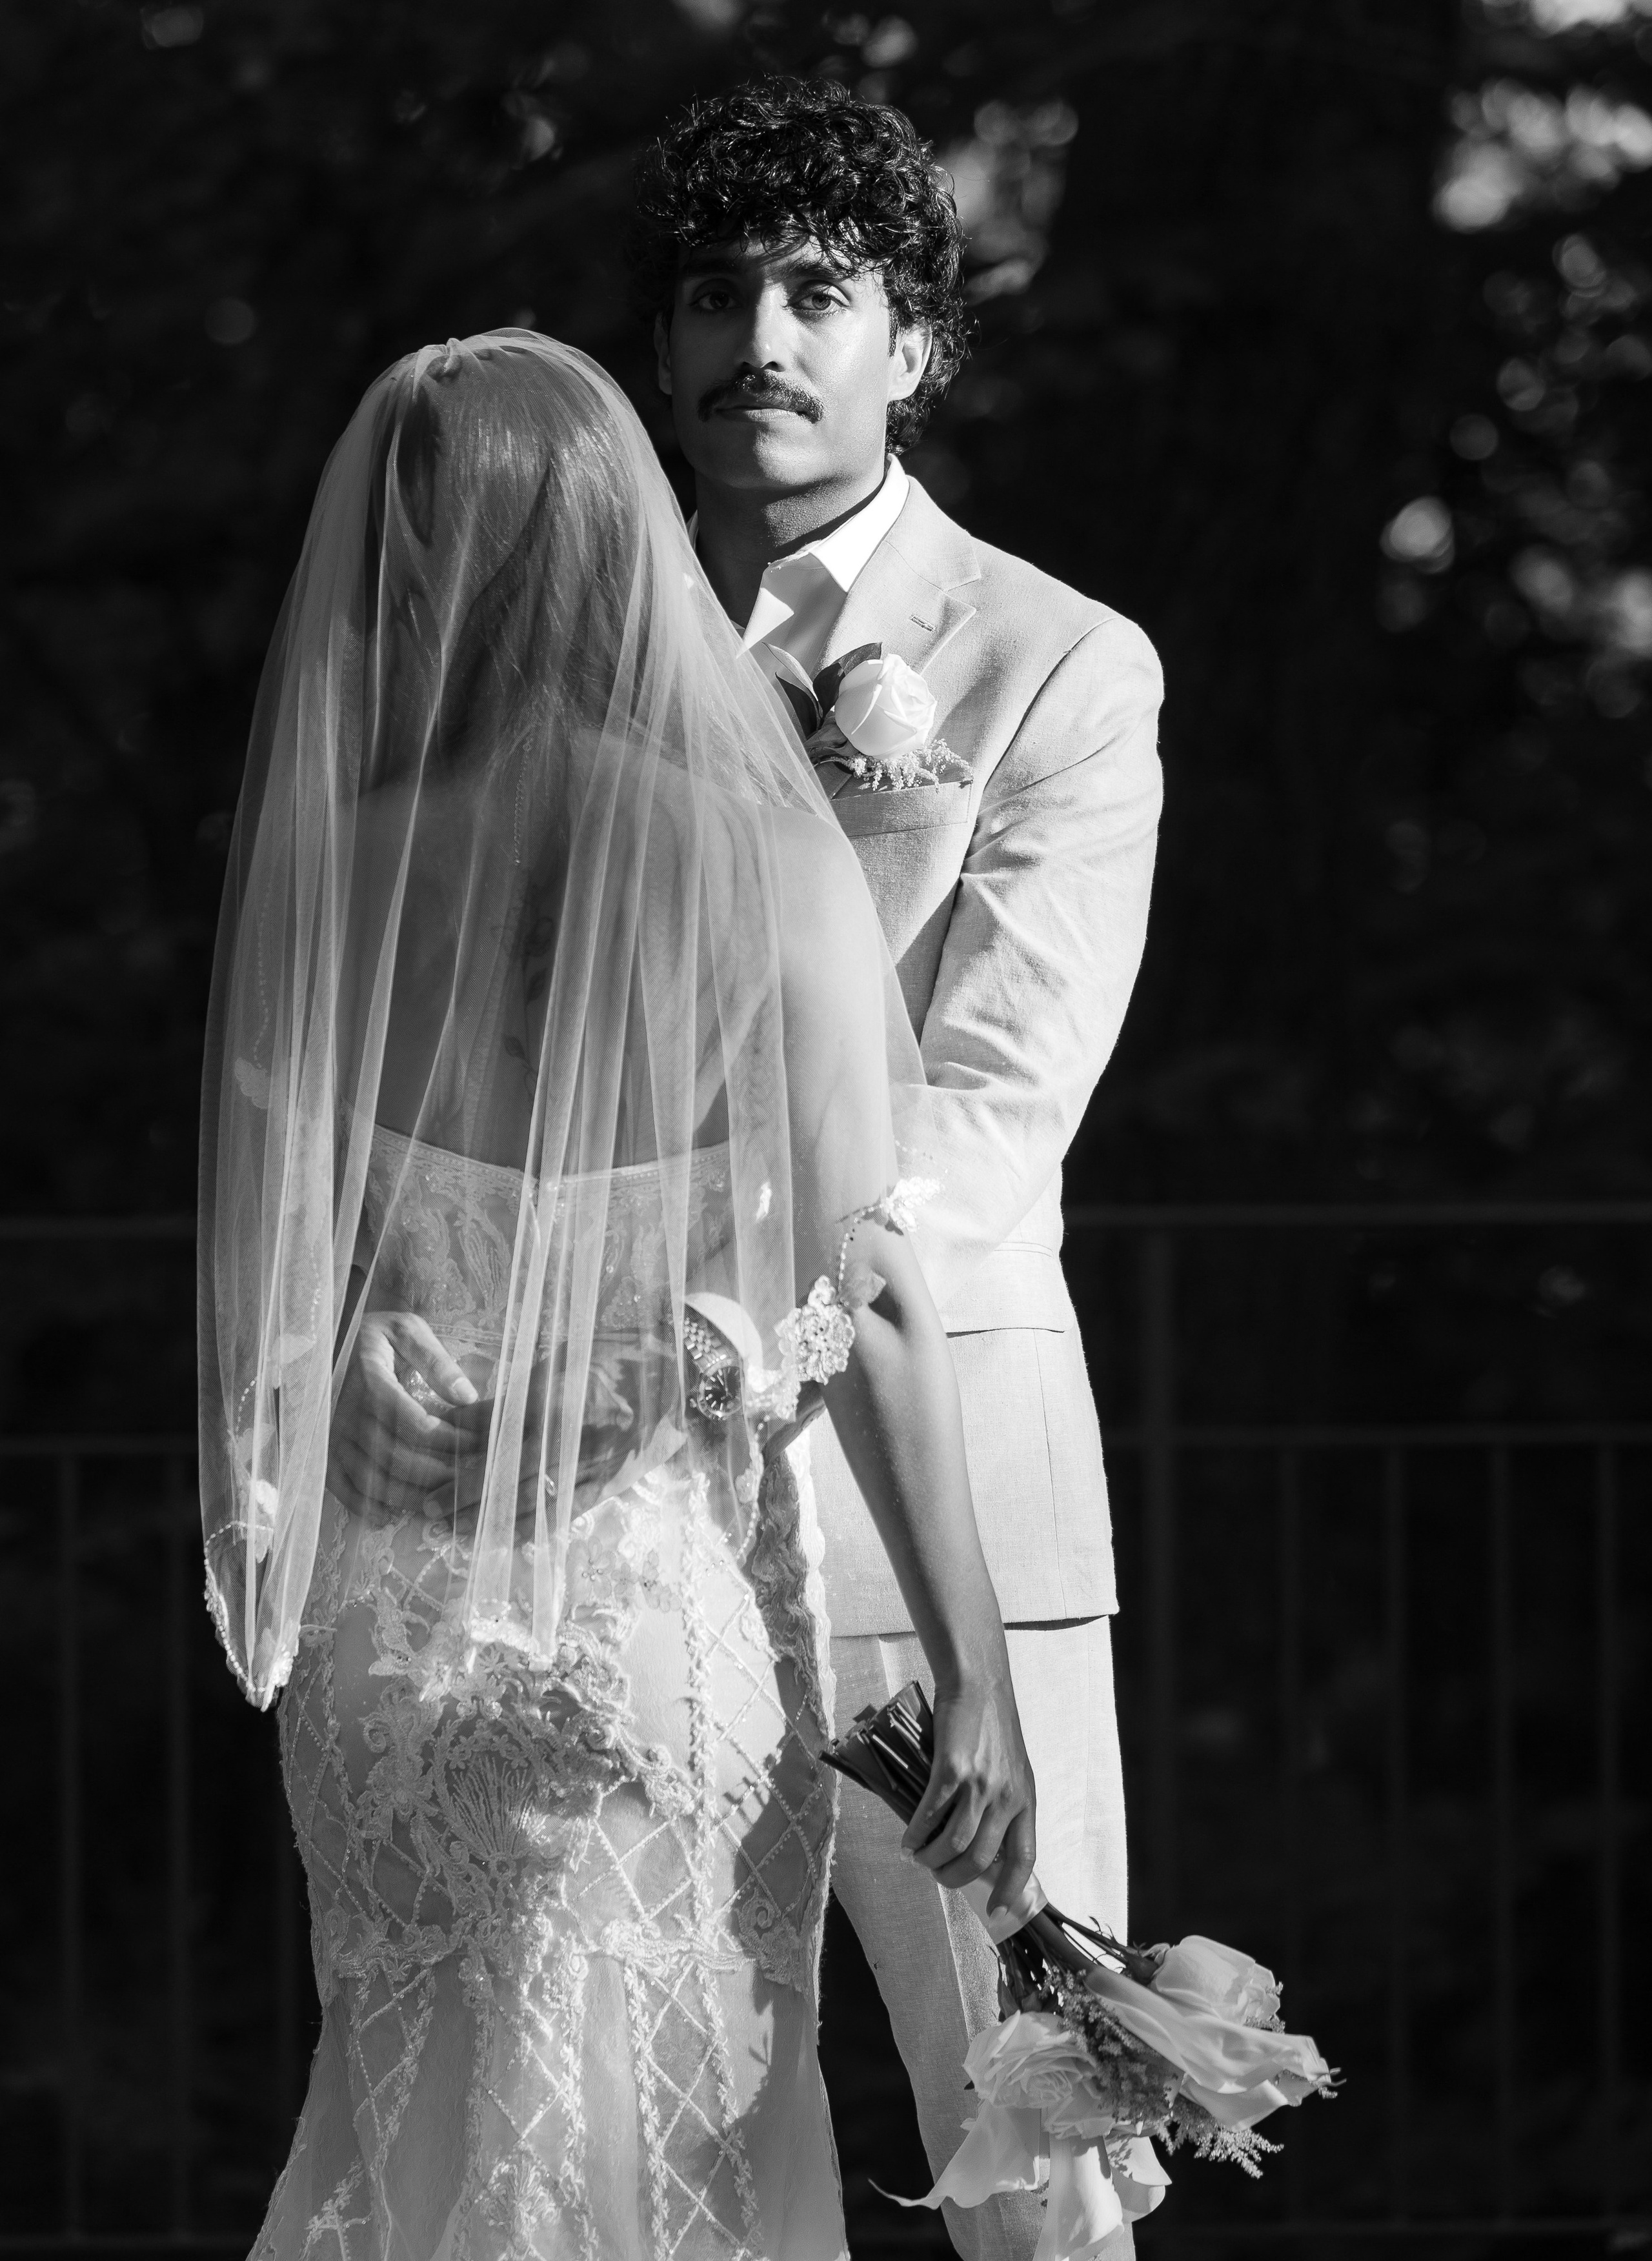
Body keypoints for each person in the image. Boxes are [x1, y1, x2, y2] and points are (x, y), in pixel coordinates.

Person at [197, 331, 1034, 2260]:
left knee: (403, 2132)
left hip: (390, 1638)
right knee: (676, 2172)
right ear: (618, 543)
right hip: (646, 1614)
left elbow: (285, 1298)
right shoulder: (753, 845)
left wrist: (339, 1378)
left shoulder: (331, 863)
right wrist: (975, 1673)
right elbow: (873, 1290)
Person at [630, 77, 1163, 2261]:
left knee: (1037, 2157)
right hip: (616, 1511)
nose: (763, 334)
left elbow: (990, 1123)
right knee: (648, 2143)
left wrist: (732, 1318)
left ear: (912, 346)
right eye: (719, 291)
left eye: (819, 294)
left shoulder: (1055, 663)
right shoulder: (581, 642)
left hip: (934, 1515)